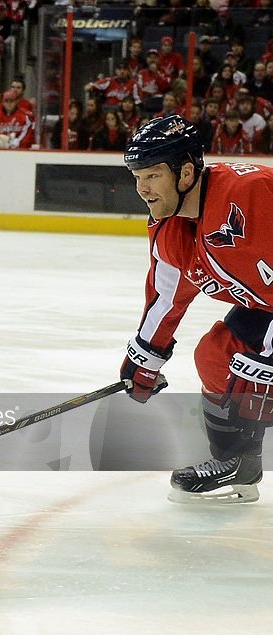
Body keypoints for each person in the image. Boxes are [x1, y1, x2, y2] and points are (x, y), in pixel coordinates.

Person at [121, 115, 269, 504]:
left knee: (252, 362)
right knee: (217, 354)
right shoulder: (171, 227)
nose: (142, 189)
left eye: (152, 175)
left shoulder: (252, 193)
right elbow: (167, 296)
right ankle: (237, 461)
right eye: (137, 177)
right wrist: (144, 361)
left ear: (186, 172)